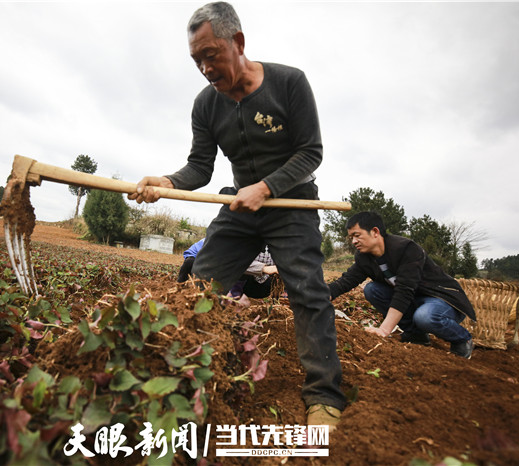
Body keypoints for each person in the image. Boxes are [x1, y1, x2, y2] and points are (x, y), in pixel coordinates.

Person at [128, 1, 346, 428]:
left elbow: (311, 152)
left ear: (238, 42)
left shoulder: (289, 83)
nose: (206, 68)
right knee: (200, 284)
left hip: (291, 204)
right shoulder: (205, 106)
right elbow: (199, 167)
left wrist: (266, 188)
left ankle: (324, 394)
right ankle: (187, 370)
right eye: (197, 61)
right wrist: (168, 182)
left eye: (211, 55)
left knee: (307, 290)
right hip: (240, 207)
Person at [328, 211, 477, 358]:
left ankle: (462, 339)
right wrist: (320, 294)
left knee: (424, 316)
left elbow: (404, 290)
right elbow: (346, 281)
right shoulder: (364, 258)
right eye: (351, 237)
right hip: (414, 300)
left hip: (440, 299)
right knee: (372, 290)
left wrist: (384, 330)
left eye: (357, 235)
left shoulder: (406, 249)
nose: (353, 241)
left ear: (375, 232)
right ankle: (416, 334)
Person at [179, 239, 278, 308]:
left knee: (244, 274)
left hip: (227, 265)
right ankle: (179, 291)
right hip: (202, 260)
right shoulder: (226, 240)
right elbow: (231, 261)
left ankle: (234, 296)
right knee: (190, 264)